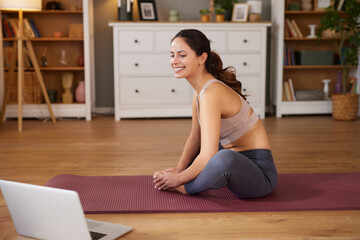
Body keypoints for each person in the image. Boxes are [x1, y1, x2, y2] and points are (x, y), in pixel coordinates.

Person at [153, 29, 277, 198]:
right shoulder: (200, 94)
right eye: (172, 55)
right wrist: (179, 168)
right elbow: (195, 137)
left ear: (202, 58)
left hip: (260, 175)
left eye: (182, 55)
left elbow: (208, 154)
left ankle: (186, 188)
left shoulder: (212, 94)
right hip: (236, 163)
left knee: (223, 157)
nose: (174, 61)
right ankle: (198, 177)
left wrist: (179, 179)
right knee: (209, 147)